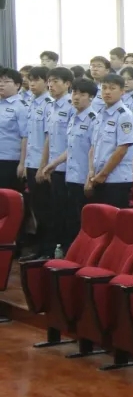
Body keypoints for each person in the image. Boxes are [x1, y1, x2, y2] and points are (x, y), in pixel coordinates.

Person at [31, 67, 74, 259]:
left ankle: (65, 252)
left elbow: (74, 143)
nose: (51, 85)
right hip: (53, 167)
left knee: (65, 213)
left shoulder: (72, 105)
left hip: (68, 168)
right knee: (51, 211)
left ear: (67, 84)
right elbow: (48, 139)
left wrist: (53, 165)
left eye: (55, 81)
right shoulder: (51, 106)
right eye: (49, 81)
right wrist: (43, 166)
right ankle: (47, 251)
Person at [86, 73, 133, 208]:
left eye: (112, 88)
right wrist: (91, 173)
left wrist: (103, 174)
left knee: (114, 218)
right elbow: (93, 147)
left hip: (116, 179)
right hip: (97, 177)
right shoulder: (100, 114)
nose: (107, 92)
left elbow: (121, 150)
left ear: (122, 91)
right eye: (104, 88)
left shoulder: (124, 115)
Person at [62, 78, 98, 251]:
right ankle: (71, 252)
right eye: (74, 93)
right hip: (71, 175)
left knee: (83, 220)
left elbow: (94, 150)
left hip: (84, 177)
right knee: (70, 218)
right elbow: (71, 148)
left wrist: (90, 178)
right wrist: (52, 164)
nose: (76, 97)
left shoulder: (94, 119)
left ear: (91, 97)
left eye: (82, 94)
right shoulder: (73, 117)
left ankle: (83, 253)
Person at [21, 67, 51, 255]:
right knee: (35, 206)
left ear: (46, 82)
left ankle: (46, 247)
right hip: (31, 162)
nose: (32, 84)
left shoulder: (49, 104)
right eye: (30, 80)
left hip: (42, 163)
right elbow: (28, 136)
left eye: (36, 80)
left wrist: (42, 166)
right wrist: (25, 163)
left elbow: (49, 137)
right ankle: (38, 246)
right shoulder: (31, 102)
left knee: (45, 207)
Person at [0, 67, 29, 192]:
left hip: (10, 160)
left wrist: (22, 163)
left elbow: (25, 137)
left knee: (7, 196)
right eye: (0, 81)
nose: (1, 84)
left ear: (17, 85)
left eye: (6, 82)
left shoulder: (21, 106)